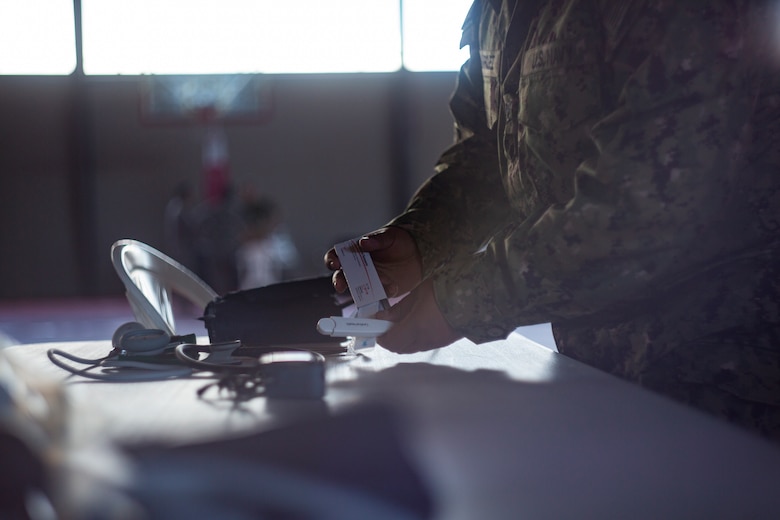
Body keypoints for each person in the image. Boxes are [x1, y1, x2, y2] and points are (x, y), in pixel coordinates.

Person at [325, 0, 780, 441]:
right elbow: (487, 154)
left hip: (726, 378)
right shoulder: (499, 9)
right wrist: (423, 237)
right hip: (599, 377)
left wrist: (460, 302)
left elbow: (641, 212)